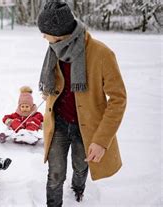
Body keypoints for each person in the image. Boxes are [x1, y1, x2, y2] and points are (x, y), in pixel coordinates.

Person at [37, 1, 127, 206]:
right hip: (58, 123)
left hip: (86, 128)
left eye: (45, 32)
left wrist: (102, 141)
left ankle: (78, 191)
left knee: (80, 167)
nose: (43, 37)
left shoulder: (101, 54)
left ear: (60, 33)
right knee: (55, 174)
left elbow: (118, 99)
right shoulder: (55, 49)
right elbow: (58, 83)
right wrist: (49, 94)